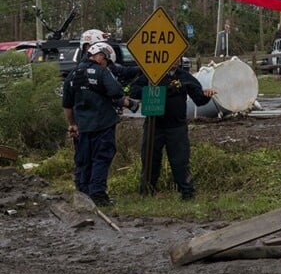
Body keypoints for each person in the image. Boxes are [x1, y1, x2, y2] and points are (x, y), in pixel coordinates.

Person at [128, 58, 214, 201]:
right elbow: (133, 91)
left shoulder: (184, 76)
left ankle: (187, 193)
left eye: (178, 59)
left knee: (180, 161)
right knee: (150, 160)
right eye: (172, 58)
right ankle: (146, 192)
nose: (175, 61)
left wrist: (207, 96)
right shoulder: (153, 75)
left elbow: (199, 98)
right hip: (154, 125)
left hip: (176, 126)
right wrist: (154, 90)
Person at [62, 41, 132, 206]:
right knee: (101, 158)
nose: (107, 64)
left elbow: (67, 105)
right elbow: (116, 92)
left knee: (83, 160)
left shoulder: (72, 75)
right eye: (106, 61)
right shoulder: (102, 72)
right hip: (103, 125)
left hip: (82, 127)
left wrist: (72, 124)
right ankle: (98, 196)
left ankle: (82, 194)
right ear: (101, 56)